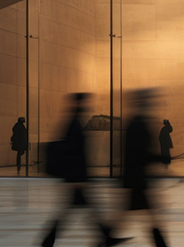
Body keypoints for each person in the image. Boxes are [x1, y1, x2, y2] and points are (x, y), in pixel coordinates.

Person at [41, 93, 129, 247]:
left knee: (85, 211)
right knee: (74, 212)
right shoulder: (74, 124)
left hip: (77, 178)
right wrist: (76, 179)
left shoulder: (75, 122)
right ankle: (48, 241)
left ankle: (105, 237)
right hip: (76, 179)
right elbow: (72, 154)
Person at [115, 89, 168, 247]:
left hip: (135, 178)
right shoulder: (137, 123)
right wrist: (160, 158)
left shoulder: (136, 121)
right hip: (137, 178)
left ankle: (106, 238)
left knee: (133, 213)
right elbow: (139, 153)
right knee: (150, 214)